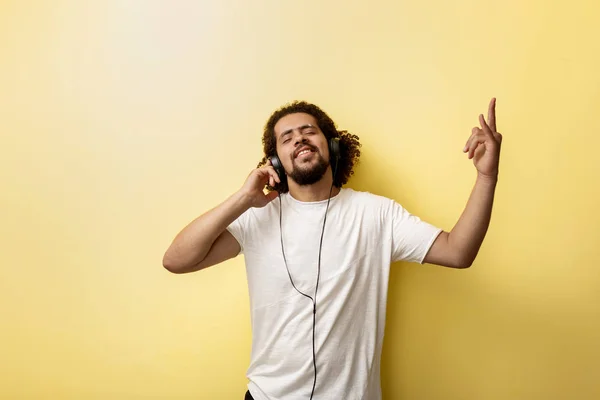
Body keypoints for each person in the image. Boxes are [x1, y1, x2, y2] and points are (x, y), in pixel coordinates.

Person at [162, 99, 502, 400]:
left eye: (309, 131)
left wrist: (486, 177)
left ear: (333, 146)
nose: (299, 139)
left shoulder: (376, 214)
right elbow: (176, 260)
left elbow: (458, 252)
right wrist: (244, 199)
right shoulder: (258, 218)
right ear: (275, 162)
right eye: (287, 137)